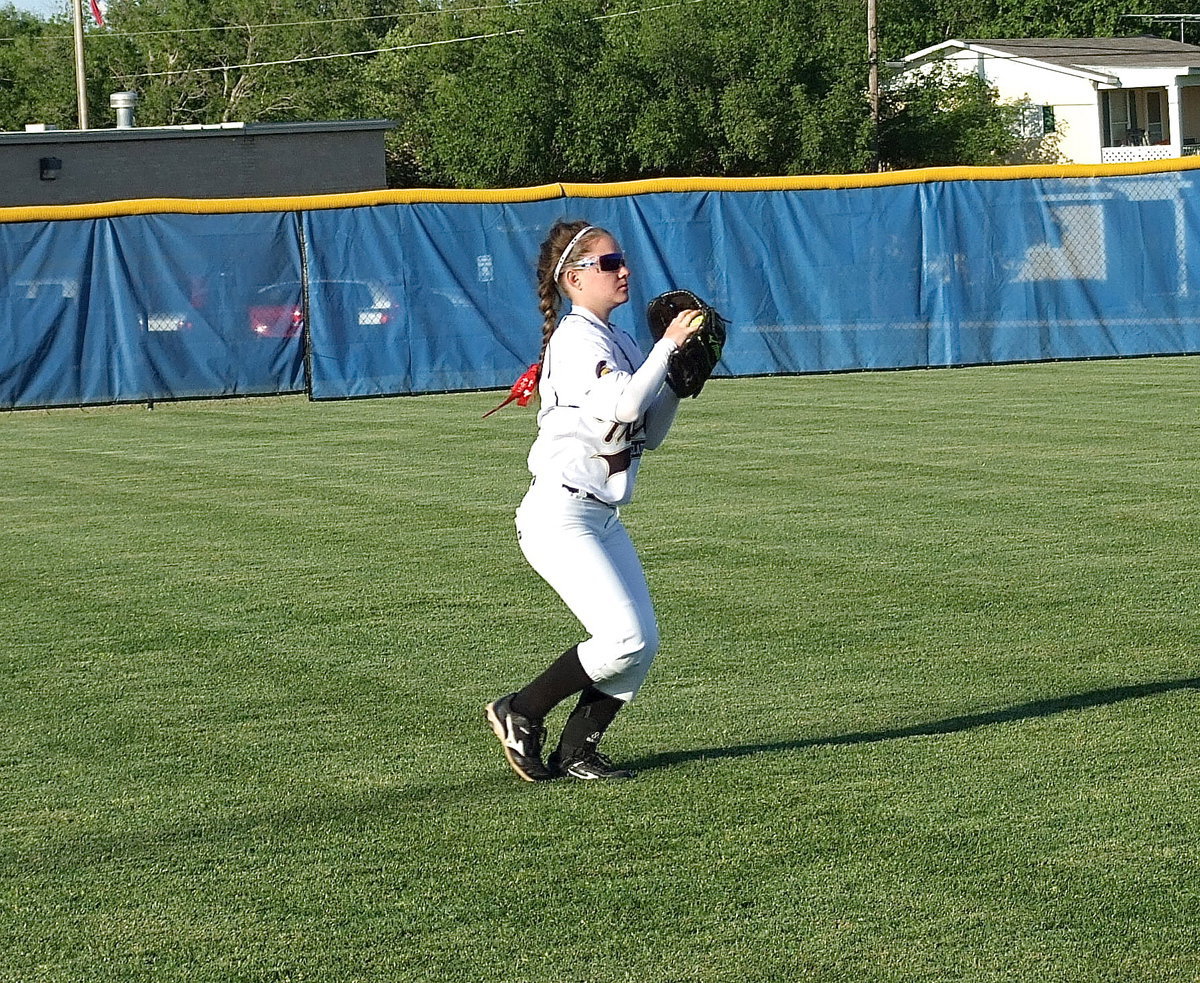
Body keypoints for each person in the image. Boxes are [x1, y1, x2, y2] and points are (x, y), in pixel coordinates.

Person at [485, 218, 704, 782]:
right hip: (560, 514)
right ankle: (522, 709)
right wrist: (667, 349)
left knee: (642, 643)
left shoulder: (621, 340)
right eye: (609, 263)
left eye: (622, 259)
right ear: (574, 278)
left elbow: (647, 431)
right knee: (622, 637)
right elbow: (626, 407)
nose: (623, 269)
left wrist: (677, 383)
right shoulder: (577, 339)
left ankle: (577, 749)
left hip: (599, 513)